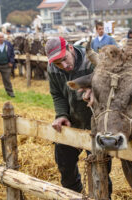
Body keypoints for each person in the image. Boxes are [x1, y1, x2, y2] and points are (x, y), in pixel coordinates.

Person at [46, 36, 112, 197]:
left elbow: (111, 84)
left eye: (64, 59)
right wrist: (61, 114)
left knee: (100, 168)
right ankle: (73, 194)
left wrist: (97, 90)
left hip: (96, 124)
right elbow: (57, 94)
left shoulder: (92, 62)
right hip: (72, 121)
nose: (63, 65)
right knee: (64, 163)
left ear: (69, 48)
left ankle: (103, 197)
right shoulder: (53, 69)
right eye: (57, 63)